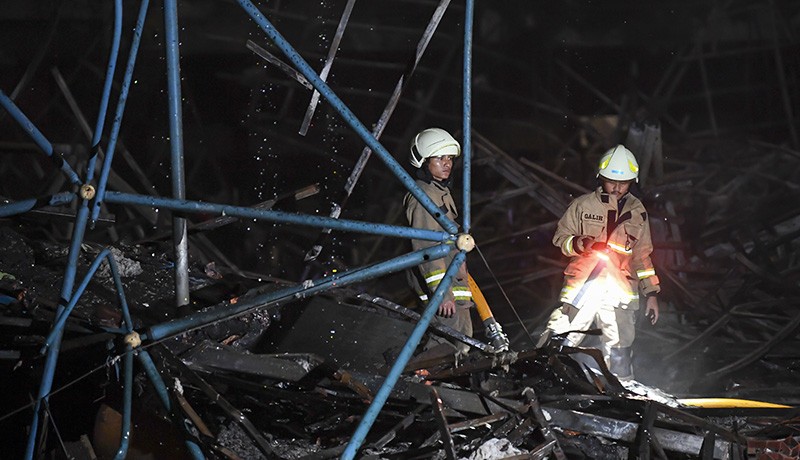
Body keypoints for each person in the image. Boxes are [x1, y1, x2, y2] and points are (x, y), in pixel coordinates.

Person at [539, 144, 660, 381]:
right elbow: (560, 238)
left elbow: (642, 255)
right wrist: (580, 243)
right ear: (601, 178)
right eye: (611, 182)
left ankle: (622, 389)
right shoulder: (583, 206)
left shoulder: (638, 212)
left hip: (619, 291)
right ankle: (542, 374)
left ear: (632, 182)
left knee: (620, 345)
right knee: (561, 333)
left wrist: (652, 292)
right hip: (583, 286)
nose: (616, 188)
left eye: (623, 183)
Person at [404, 127, 474, 356]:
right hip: (443, 289)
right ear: (424, 161)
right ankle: (424, 383)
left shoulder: (440, 191)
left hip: (456, 285)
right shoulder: (423, 195)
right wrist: (441, 293)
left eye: (450, 158)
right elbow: (426, 246)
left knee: (461, 345)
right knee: (442, 347)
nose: (447, 163)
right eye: (439, 158)